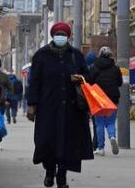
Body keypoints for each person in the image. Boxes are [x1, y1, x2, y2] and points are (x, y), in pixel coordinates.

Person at [27, 22, 93, 188]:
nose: (61, 37)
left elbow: (87, 76)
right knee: (47, 142)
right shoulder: (41, 55)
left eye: (64, 34)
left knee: (68, 144)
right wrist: (31, 104)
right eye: (58, 34)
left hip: (71, 109)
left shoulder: (75, 55)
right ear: (53, 35)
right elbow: (34, 82)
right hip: (48, 108)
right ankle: (49, 171)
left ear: (68, 36)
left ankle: (62, 177)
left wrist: (79, 78)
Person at [89, 46, 123, 156]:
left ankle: (100, 148)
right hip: (112, 98)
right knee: (110, 122)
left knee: (99, 124)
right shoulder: (116, 68)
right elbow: (119, 83)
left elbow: (90, 82)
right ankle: (112, 136)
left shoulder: (94, 67)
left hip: (98, 99)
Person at [85, 50, 98, 151]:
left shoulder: (85, 70)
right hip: (98, 99)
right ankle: (96, 143)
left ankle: (87, 144)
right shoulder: (97, 69)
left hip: (87, 99)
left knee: (85, 123)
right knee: (97, 123)